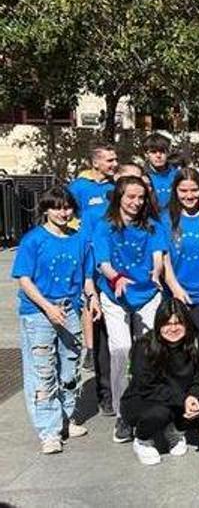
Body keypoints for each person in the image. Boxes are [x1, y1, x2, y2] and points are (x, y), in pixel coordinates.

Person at [13, 186, 89, 454]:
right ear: (45, 209)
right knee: (43, 372)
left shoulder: (78, 239)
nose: (63, 212)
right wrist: (47, 307)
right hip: (39, 312)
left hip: (70, 311)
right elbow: (24, 279)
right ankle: (49, 430)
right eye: (56, 207)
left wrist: (92, 299)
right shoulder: (33, 240)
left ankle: (66, 418)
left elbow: (86, 275)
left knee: (70, 368)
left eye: (67, 207)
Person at [92, 175, 167, 444]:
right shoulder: (105, 226)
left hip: (147, 294)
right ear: (119, 198)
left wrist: (157, 272)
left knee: (148, 351)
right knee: (121, 349)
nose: (136, 202)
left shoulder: (154, 226)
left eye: (140, 197)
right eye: (130, 197)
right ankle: (124, 413)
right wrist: (116, 278)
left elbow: (158, 257)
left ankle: (148, 405)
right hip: (115, 295)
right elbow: (102, 262)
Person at [120, 298, 199, 466]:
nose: (173, 328)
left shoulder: (196, 343)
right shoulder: (144, 346)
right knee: (161, 412)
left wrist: (194, 396)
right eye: (167, 323)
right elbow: (145, 386)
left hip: (181, 397)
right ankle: (143, 439)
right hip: (146, 400)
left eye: (178, 323)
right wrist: (182, 400)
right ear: (158, 324)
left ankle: (175, 430)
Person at [160, 168, 199, 340]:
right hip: (177, 295)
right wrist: (176, 290)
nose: (189, 196)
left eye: (194, 190)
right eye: (183, 190)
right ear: (175, 191)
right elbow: (164, 260)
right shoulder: (166, 219)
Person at [67, 143, 118, 214]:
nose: (116, 164)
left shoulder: (117, 186)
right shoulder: (77, 186)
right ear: (95, 163)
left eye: (116, 160)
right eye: (110, 160)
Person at [144, 133, 179, 209]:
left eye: (162, 152)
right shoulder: (142, 176)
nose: (158, 156)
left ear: (168, 153)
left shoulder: (178, 175)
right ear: (146, 155)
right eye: (153, 152)